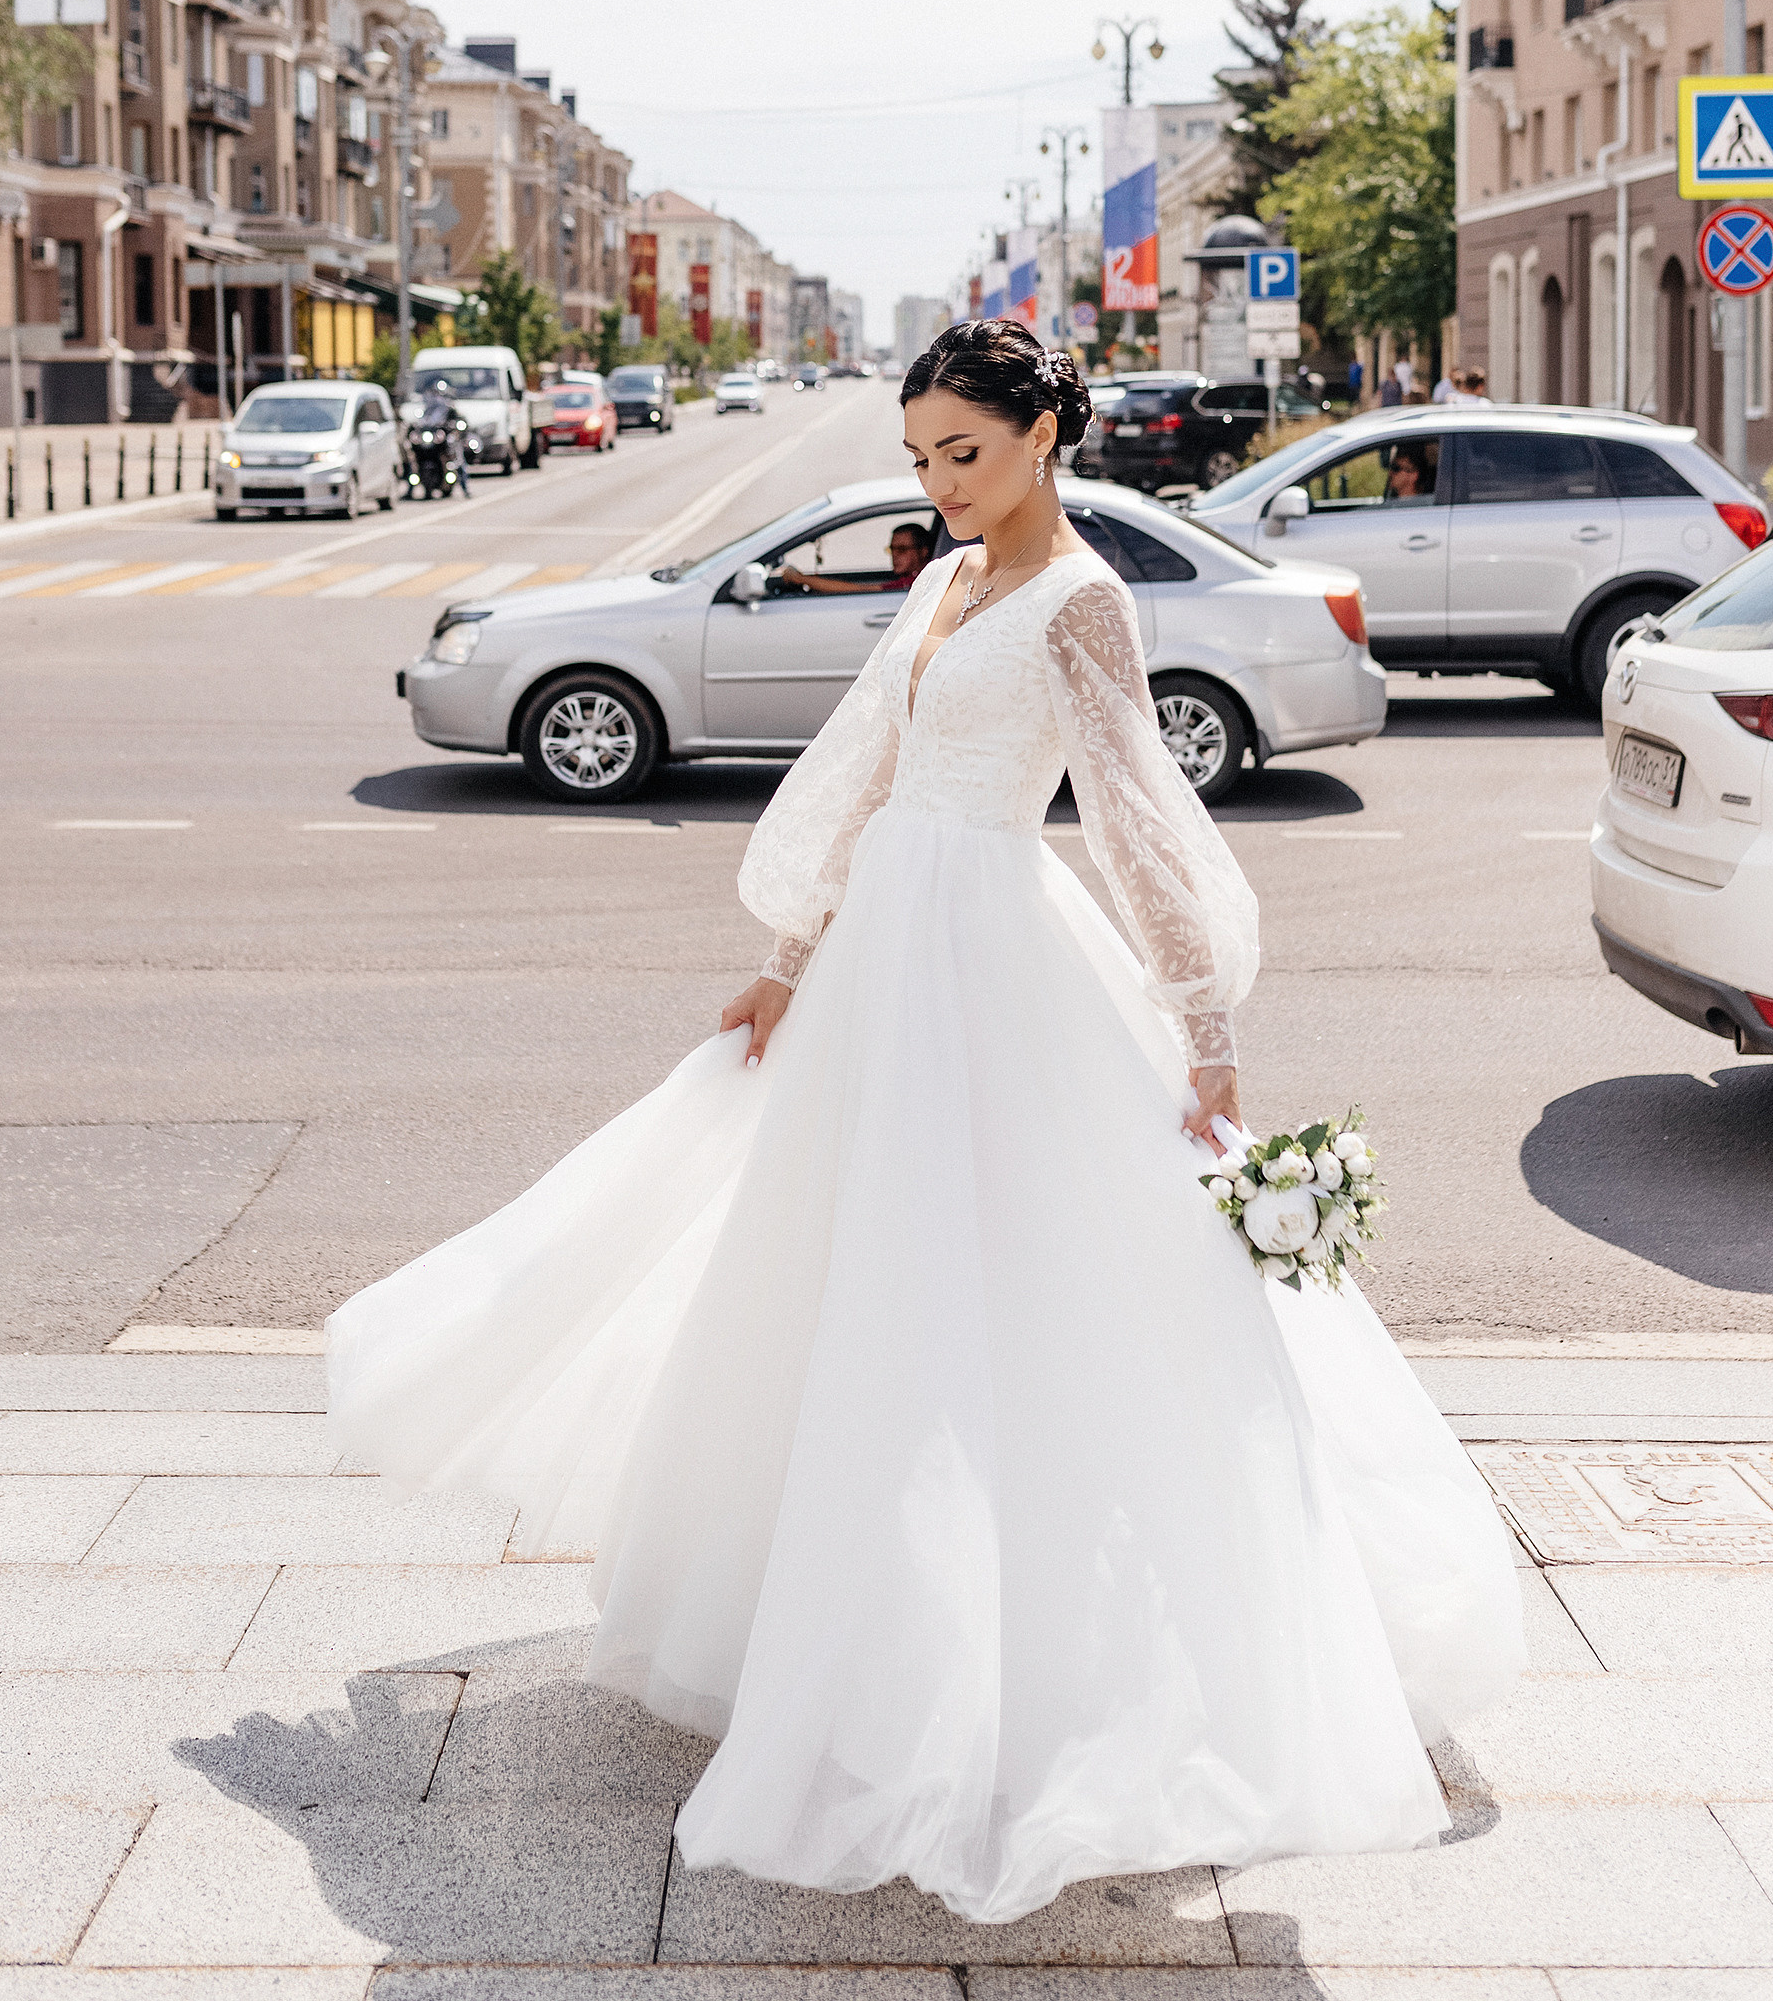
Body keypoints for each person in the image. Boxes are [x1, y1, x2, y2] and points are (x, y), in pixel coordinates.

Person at [326, 317, 1521, 1922]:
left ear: (1043, 438)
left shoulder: (1086, 598)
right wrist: (789, 958)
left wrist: (1206, 1023)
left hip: (997, 958)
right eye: (922, 458)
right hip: (892, 946)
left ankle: (1009, 1677)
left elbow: (1134, 815)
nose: (942, 483)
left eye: (965, 452)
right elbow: (871, 764)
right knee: (835, 1286)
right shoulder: (944, 580)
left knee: (993, 1306)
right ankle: (829, 1631)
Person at [775, 522, 933, 595]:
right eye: (892, 549)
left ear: (924, 552)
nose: (894, 555)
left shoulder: (915, 583)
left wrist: (801, 579)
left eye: (902, 549)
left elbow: (859, 591)